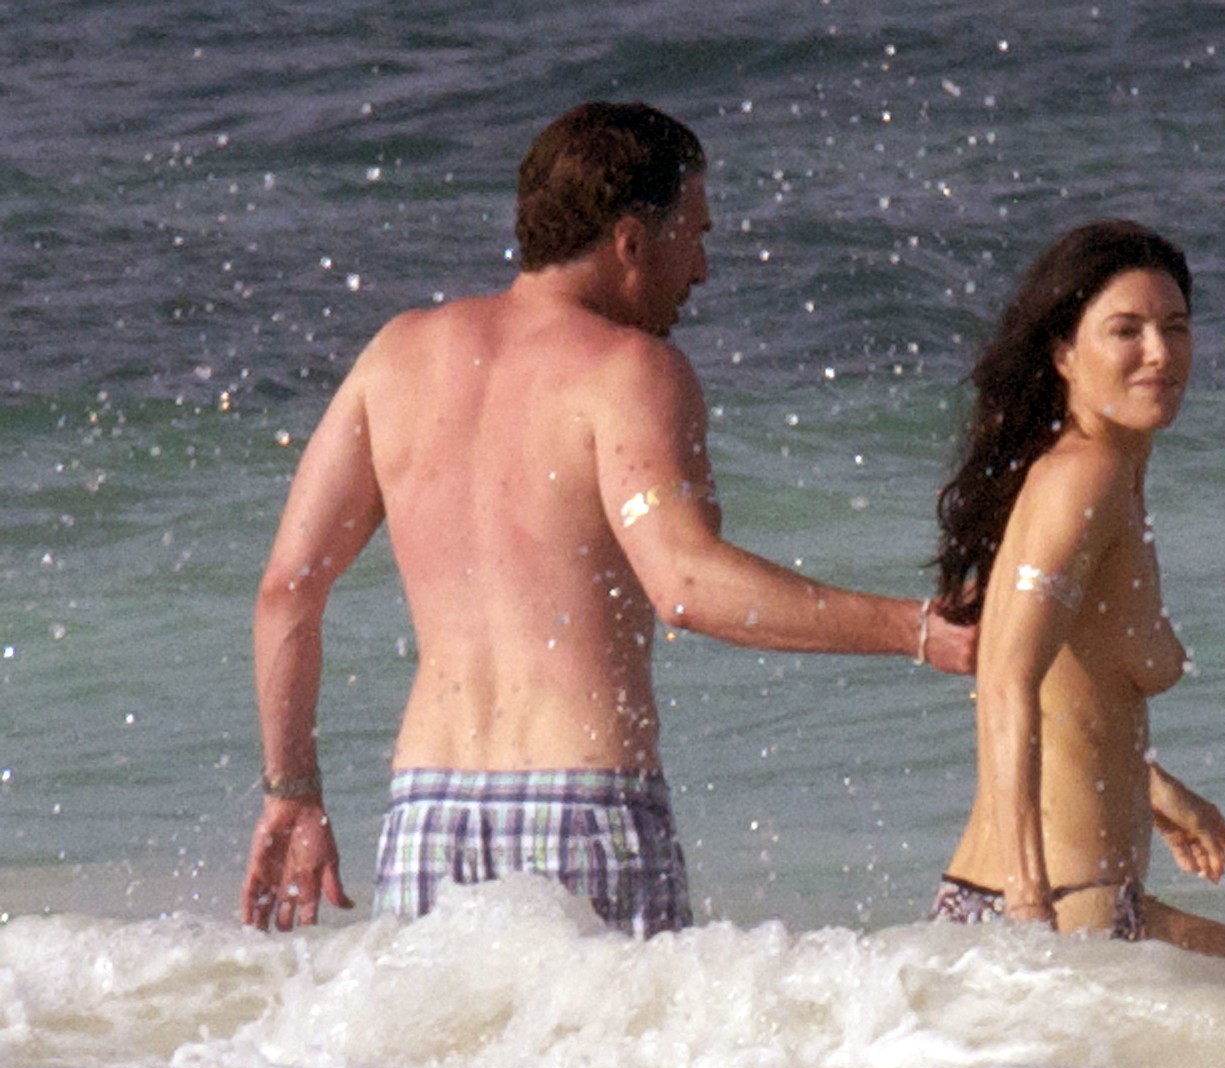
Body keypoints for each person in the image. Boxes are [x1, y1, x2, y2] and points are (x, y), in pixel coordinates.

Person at [244, 100, 972, 934]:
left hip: (426, 814)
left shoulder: (396, 355)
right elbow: (686, 583)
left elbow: (287, 589)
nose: (702, 270)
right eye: (695, 235)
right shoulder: (633, 370)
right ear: (631, 240)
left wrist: (292, 793)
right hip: (584, 807)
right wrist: (914, 629)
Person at [929, 221, 1225, 1001]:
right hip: (1060, 918)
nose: (1160, 352)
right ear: (1063, 353)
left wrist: (1152, 786)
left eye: (1175, 327)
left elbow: (1064, 681)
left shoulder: (1101, 472)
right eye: (1127, 330)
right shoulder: (1085, 476)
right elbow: (1006, 677)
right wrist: (1028, 909)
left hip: (1053, 911)